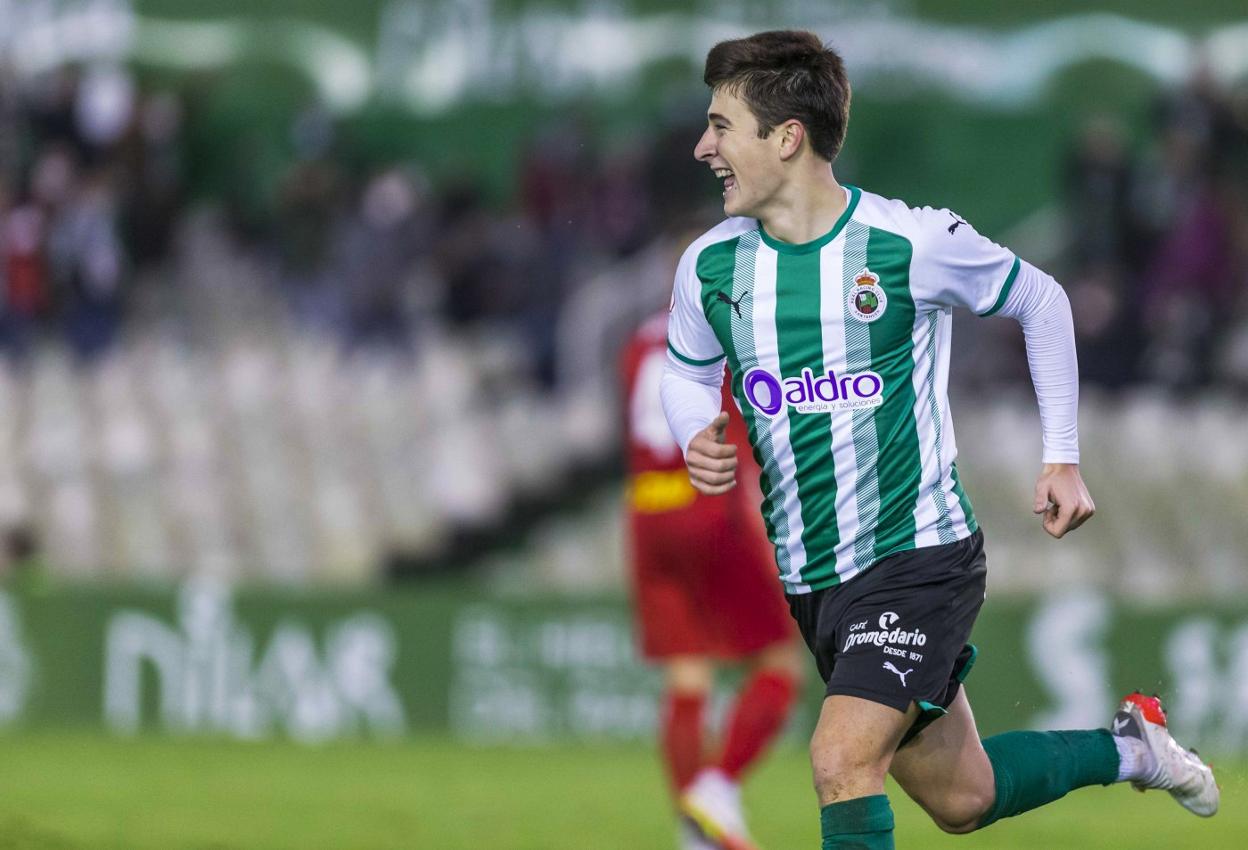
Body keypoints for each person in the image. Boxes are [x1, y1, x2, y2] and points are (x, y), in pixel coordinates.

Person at [660, 30, 1218, 850]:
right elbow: (684, 369)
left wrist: (1060, 453)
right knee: (964, 798)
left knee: (841, 761)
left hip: (917, 556)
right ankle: (1133, 749)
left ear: (786, 138)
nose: (703, 147)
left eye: (721, 127)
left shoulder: (906, 243)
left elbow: (1042, 300)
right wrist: (691, 432)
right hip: (815, 577)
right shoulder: (710, 267)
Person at [622, 308, 804, 850]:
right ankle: (716, 786)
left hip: (647, 508)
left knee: (687, 676)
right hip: (709, 500)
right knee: (779, 660)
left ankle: (694, 835)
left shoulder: (639, 340)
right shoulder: (733, 331)